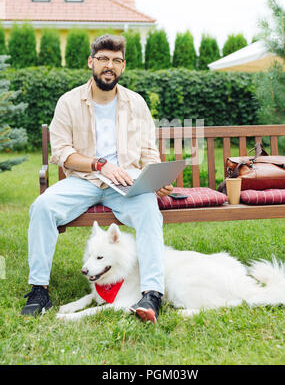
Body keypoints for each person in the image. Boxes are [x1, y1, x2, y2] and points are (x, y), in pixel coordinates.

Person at [21, 34, 173, 323]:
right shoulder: (68, 102)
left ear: (123, 66)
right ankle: (39, 290)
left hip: (127, 182)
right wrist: (98, 164)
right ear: (91, 62)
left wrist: (155, 178)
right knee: (42, 207)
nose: (109, 65)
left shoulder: (136, 103)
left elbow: (148, 151)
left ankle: (152, 293)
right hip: (84, 180)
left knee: (150, 213)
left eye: (116, 60)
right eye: (103, 59)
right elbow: (63, 152)